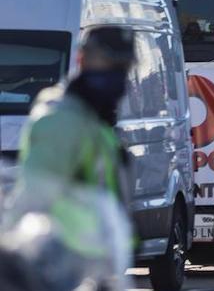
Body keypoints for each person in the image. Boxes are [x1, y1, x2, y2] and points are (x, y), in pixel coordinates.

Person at [16, 26, 136, 258]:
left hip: (92, 270)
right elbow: (32, 202)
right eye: (109, 62)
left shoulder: (97, 123)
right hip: (58, 269)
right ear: (82, 59)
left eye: (124, 65)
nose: (118, 72)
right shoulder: (61, 120)